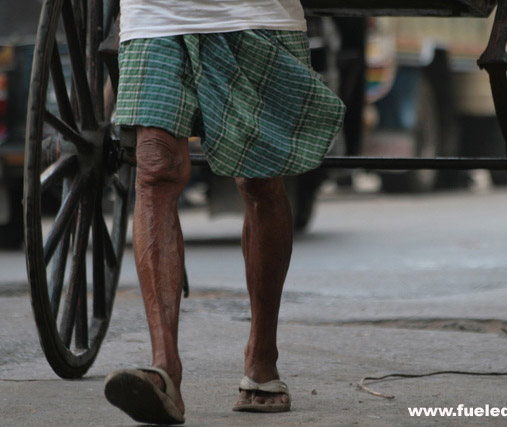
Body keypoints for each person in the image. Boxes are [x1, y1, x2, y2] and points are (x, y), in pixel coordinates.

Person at [102, 1, 345, 424]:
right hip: (155, 14)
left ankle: (262, 357)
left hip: (253, 13)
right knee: (155, 170)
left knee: (260, 181)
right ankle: (165, 370)